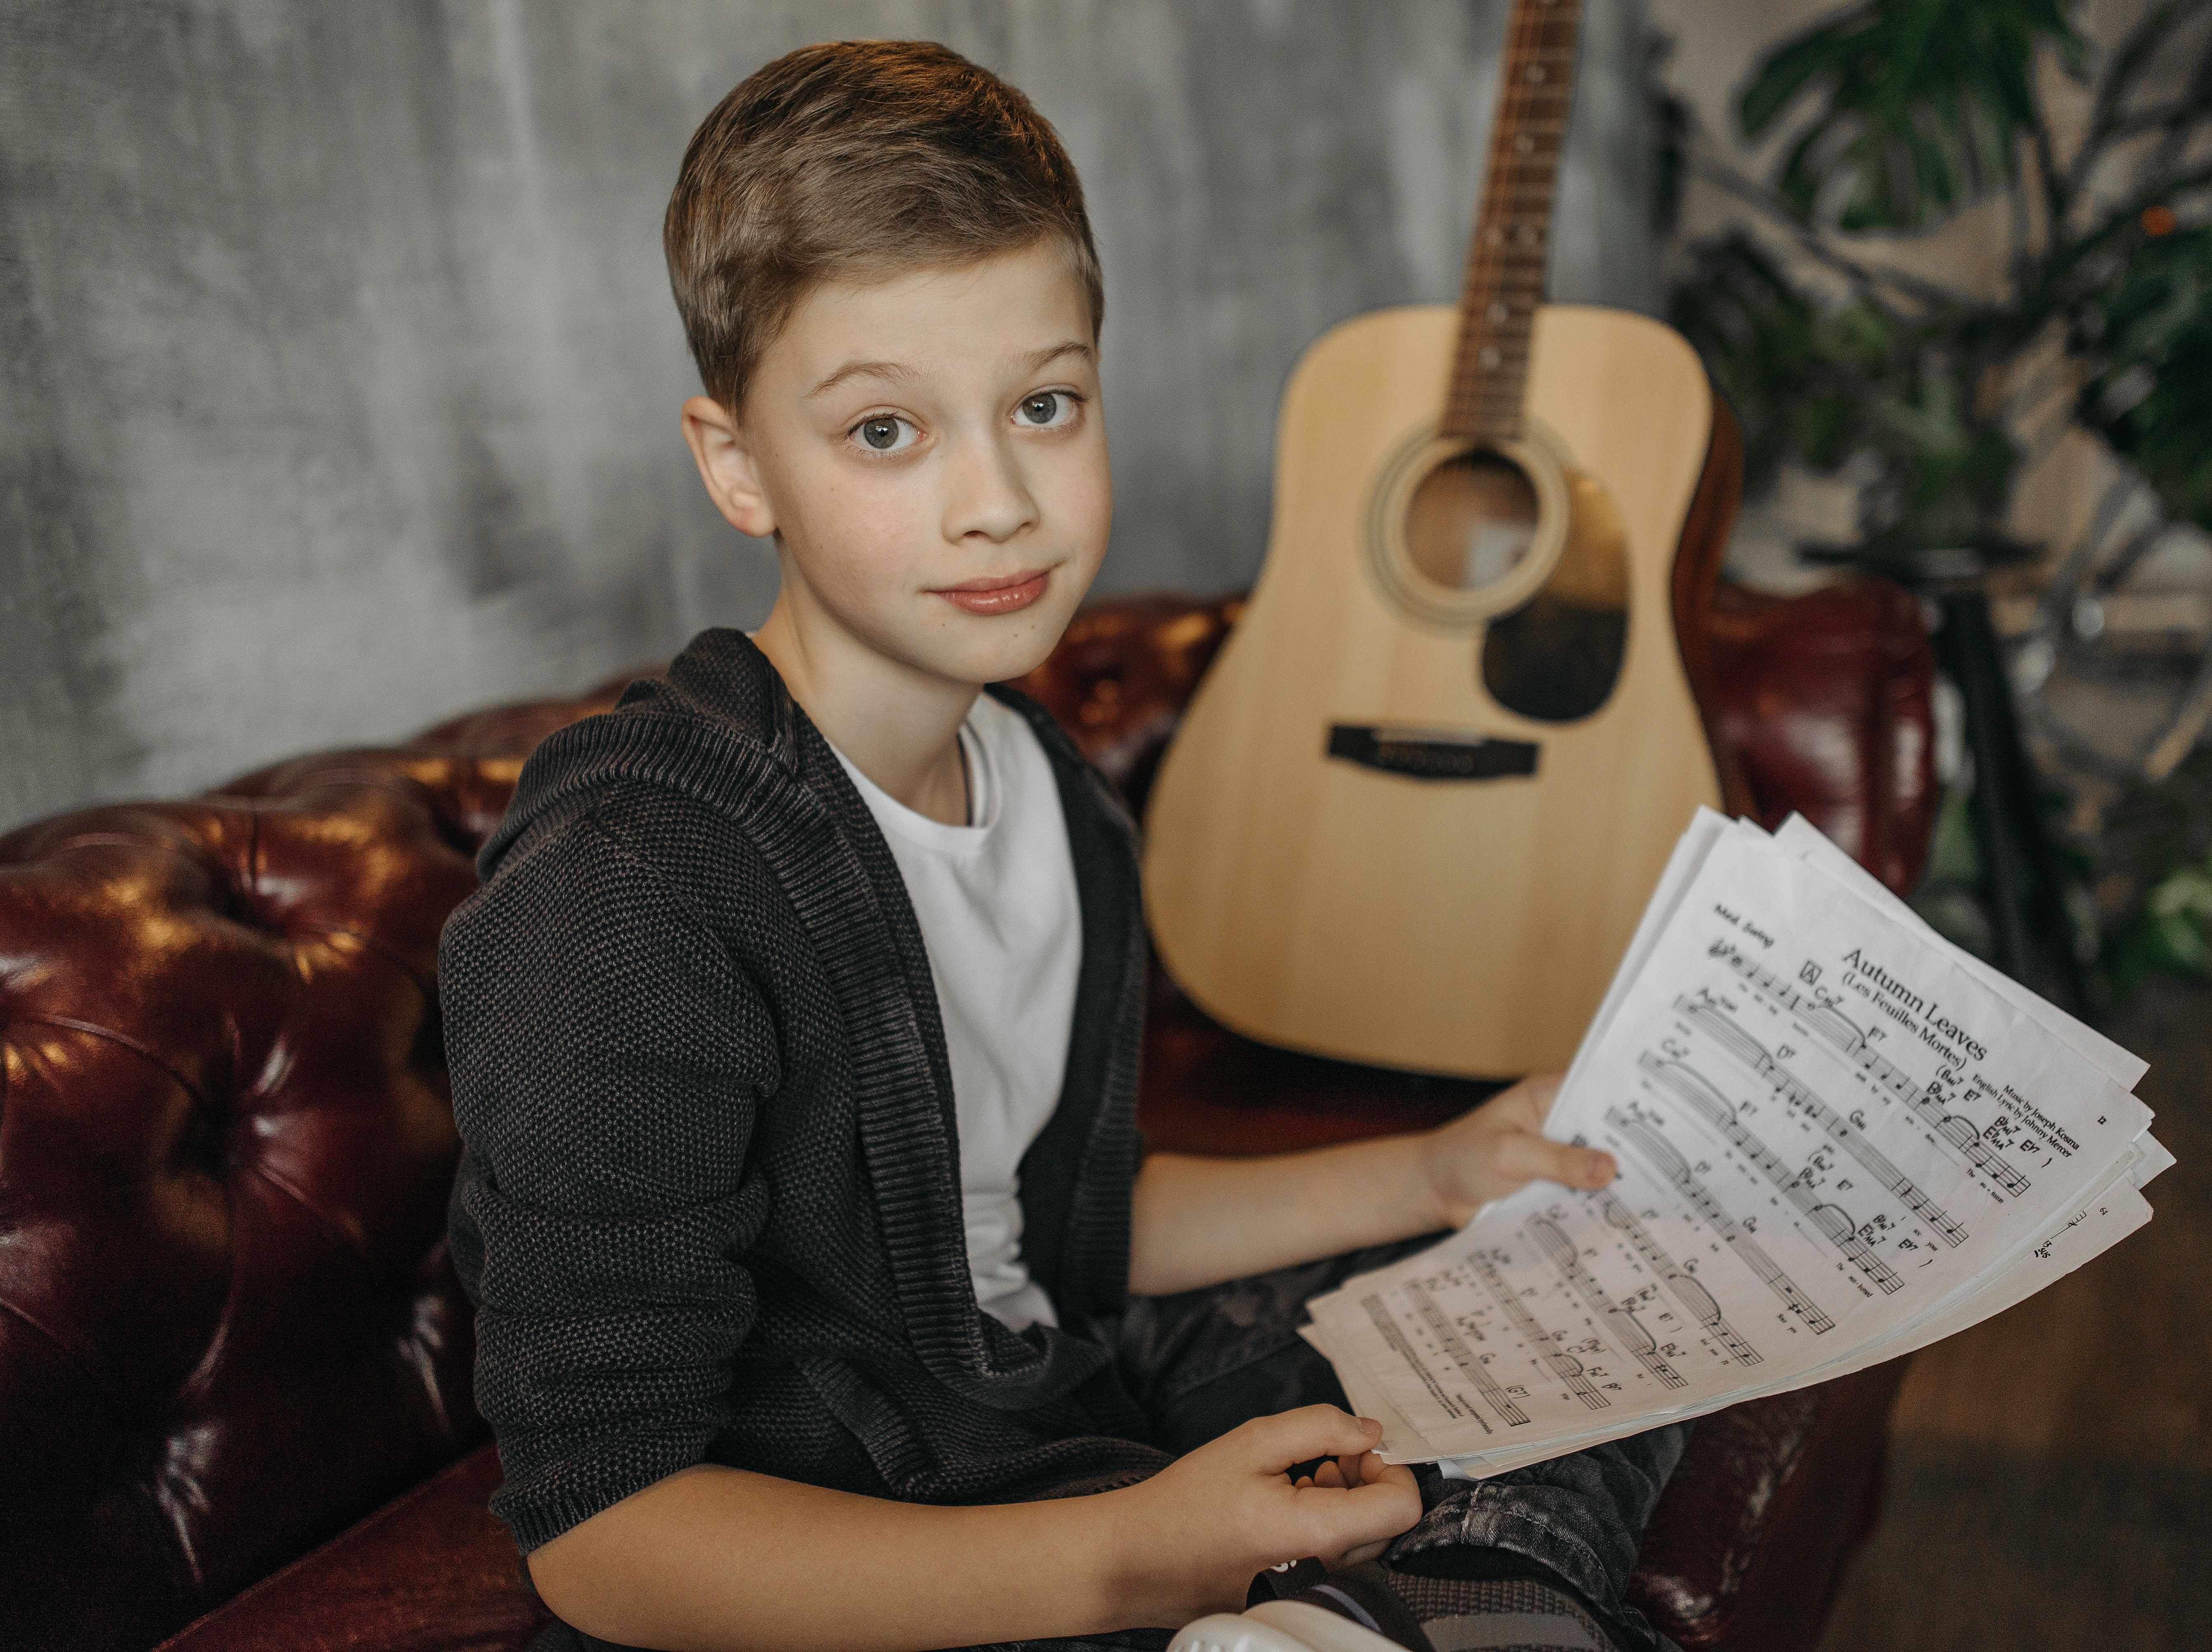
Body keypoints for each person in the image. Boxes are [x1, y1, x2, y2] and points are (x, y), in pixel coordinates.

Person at [441, 39, 1689, 1652]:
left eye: (1044, 404)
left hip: (1058, 1389)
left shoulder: (1046, 785)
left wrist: (1433, 1168)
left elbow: (1048, 1225)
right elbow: (606, 1530)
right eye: (887, 431)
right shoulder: (629, 886)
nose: (1000, 501)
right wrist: (1138, 1551)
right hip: (858, 1514)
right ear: (736, 463)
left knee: (1599, 1288)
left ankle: (1393, 1607)